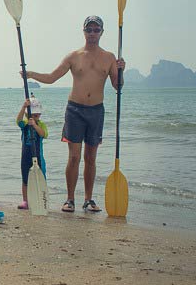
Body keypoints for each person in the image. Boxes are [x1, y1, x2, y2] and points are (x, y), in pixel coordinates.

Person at [24, 16, 125, 213]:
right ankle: (70, 199)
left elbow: (117, 86)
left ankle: (88, 199)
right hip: (75, 110)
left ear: (102, 32)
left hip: (96, 111)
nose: (93, 33)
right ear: (84, 31)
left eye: (96, 30)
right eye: (89, 29)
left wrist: (122, 71)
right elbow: (52, 77)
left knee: (91, 158)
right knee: (74, 157)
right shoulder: (73, 56)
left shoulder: (109, 57)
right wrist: (31, 74)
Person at [16, 97, 48, 210]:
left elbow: (43, 134)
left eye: (37, 115)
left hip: (38, 156)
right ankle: (25, 201)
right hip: (26, 156)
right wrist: (23, 107)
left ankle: (40, 198)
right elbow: (18, 120)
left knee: (41, 177)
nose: (35, 117)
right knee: (25, 178)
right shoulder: (24, 124)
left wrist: (35, 125)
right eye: (33, 115)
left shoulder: (41, 124)